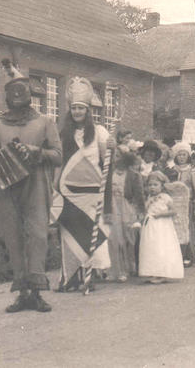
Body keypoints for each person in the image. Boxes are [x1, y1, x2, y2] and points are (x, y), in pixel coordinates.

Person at [0, 66, 61, 312]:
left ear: (30, 92)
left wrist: (36, 152)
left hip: (36, 184)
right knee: (13, 237)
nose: (17, 95)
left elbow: (58, 155)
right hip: (8, 188)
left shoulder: (45, 122)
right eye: (12, 91)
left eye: (22, 90)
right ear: (7, 95)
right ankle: (22, 293)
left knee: (37, 236)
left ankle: (37, 291)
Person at [58, 77, 113, 293]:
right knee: (70, 235)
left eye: (81, 108)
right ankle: (71, 277)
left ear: (88, 110)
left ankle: (91, 276)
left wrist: (112, 148)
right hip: (69, 192)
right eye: (74, 109)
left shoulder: (99, 132)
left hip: (92, 192)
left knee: (90, 233)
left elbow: (107, 162)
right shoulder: (63, 133)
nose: (77, 112)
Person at [104, 150, 145, 282]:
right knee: (115, 239)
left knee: (129, 238)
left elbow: (139, 195)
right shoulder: (107, 174)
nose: (115, 159)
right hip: (113, 207)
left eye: (118, 156)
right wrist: (106, 212)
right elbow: (104, 195)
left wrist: (140, 211)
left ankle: (130, 268)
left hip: (128, 207)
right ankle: (116, 270)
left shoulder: (134, 175)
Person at [138, 171, 184, 284]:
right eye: (150, 185)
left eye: (155, 185)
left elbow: (173, 211)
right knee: (150, 247)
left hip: (162, 226)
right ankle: (153, 271)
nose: (152, 188)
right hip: (150, 226)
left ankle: (162, 273)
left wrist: (161, 214)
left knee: (161, 247)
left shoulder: (165, 197)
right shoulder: (148, 197)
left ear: (162, 186)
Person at [167, 142, 195, 267]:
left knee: (187, 228)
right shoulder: (172, 170)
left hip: (187, 202)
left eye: (184, 155)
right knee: (175, 229)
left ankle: (188, 255)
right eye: (179, 155)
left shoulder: (191, 171)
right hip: (175, 203)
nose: (181, 157)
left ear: (188, 156)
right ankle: (177, 256)